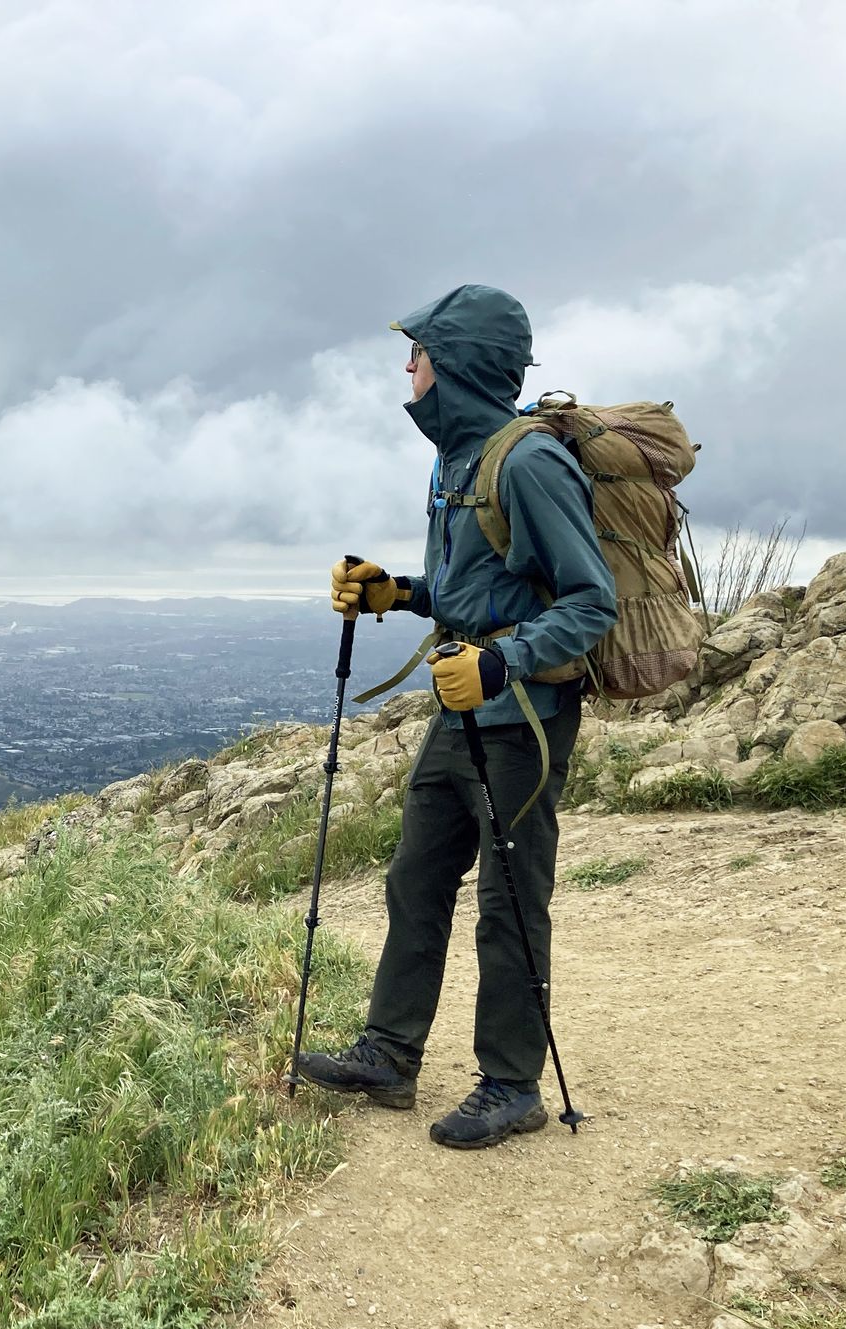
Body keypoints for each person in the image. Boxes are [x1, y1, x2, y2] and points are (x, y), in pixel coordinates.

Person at [294, 284, 616, 1150]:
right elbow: (476, 592)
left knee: (509, 900)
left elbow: (593, 601)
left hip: (526, 714)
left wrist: (504, 660)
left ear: (459, 365)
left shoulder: (528, 463)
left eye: (421, 353)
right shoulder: (454, 461)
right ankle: (390, 1053)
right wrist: (398, 593)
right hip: (462, 700)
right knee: (416, 876)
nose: (408, 366)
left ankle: (511, 1084)